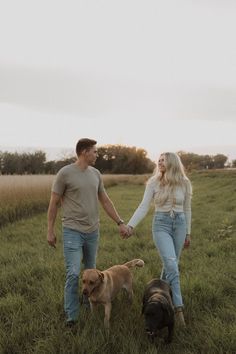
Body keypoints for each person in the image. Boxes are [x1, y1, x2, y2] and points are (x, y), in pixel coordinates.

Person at [47, 138, 128, 326]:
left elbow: (105, 201)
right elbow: (53, 203)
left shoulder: (96, 174)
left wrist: (120, 222)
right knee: (74, 273)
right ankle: (72, 317)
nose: (97, 154)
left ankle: (88, 301)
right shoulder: (65, 173)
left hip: (93, 232)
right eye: (94, 151)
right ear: (84, 152)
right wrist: (50, 230)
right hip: (72, 231)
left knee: (92, 273)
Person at [123, 152, 192, 326]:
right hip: (161, 225)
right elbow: (144, 205)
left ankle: (158, 298)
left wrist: (188, 233)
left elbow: (187, 209)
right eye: (159, 160)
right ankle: (178, 310)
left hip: (180, 225)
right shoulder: (153, 182)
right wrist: (130, 225)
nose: (160, 162)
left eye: (164, 160)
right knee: (172, 267)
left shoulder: (184, 183)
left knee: (170, 266)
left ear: (173, 163)